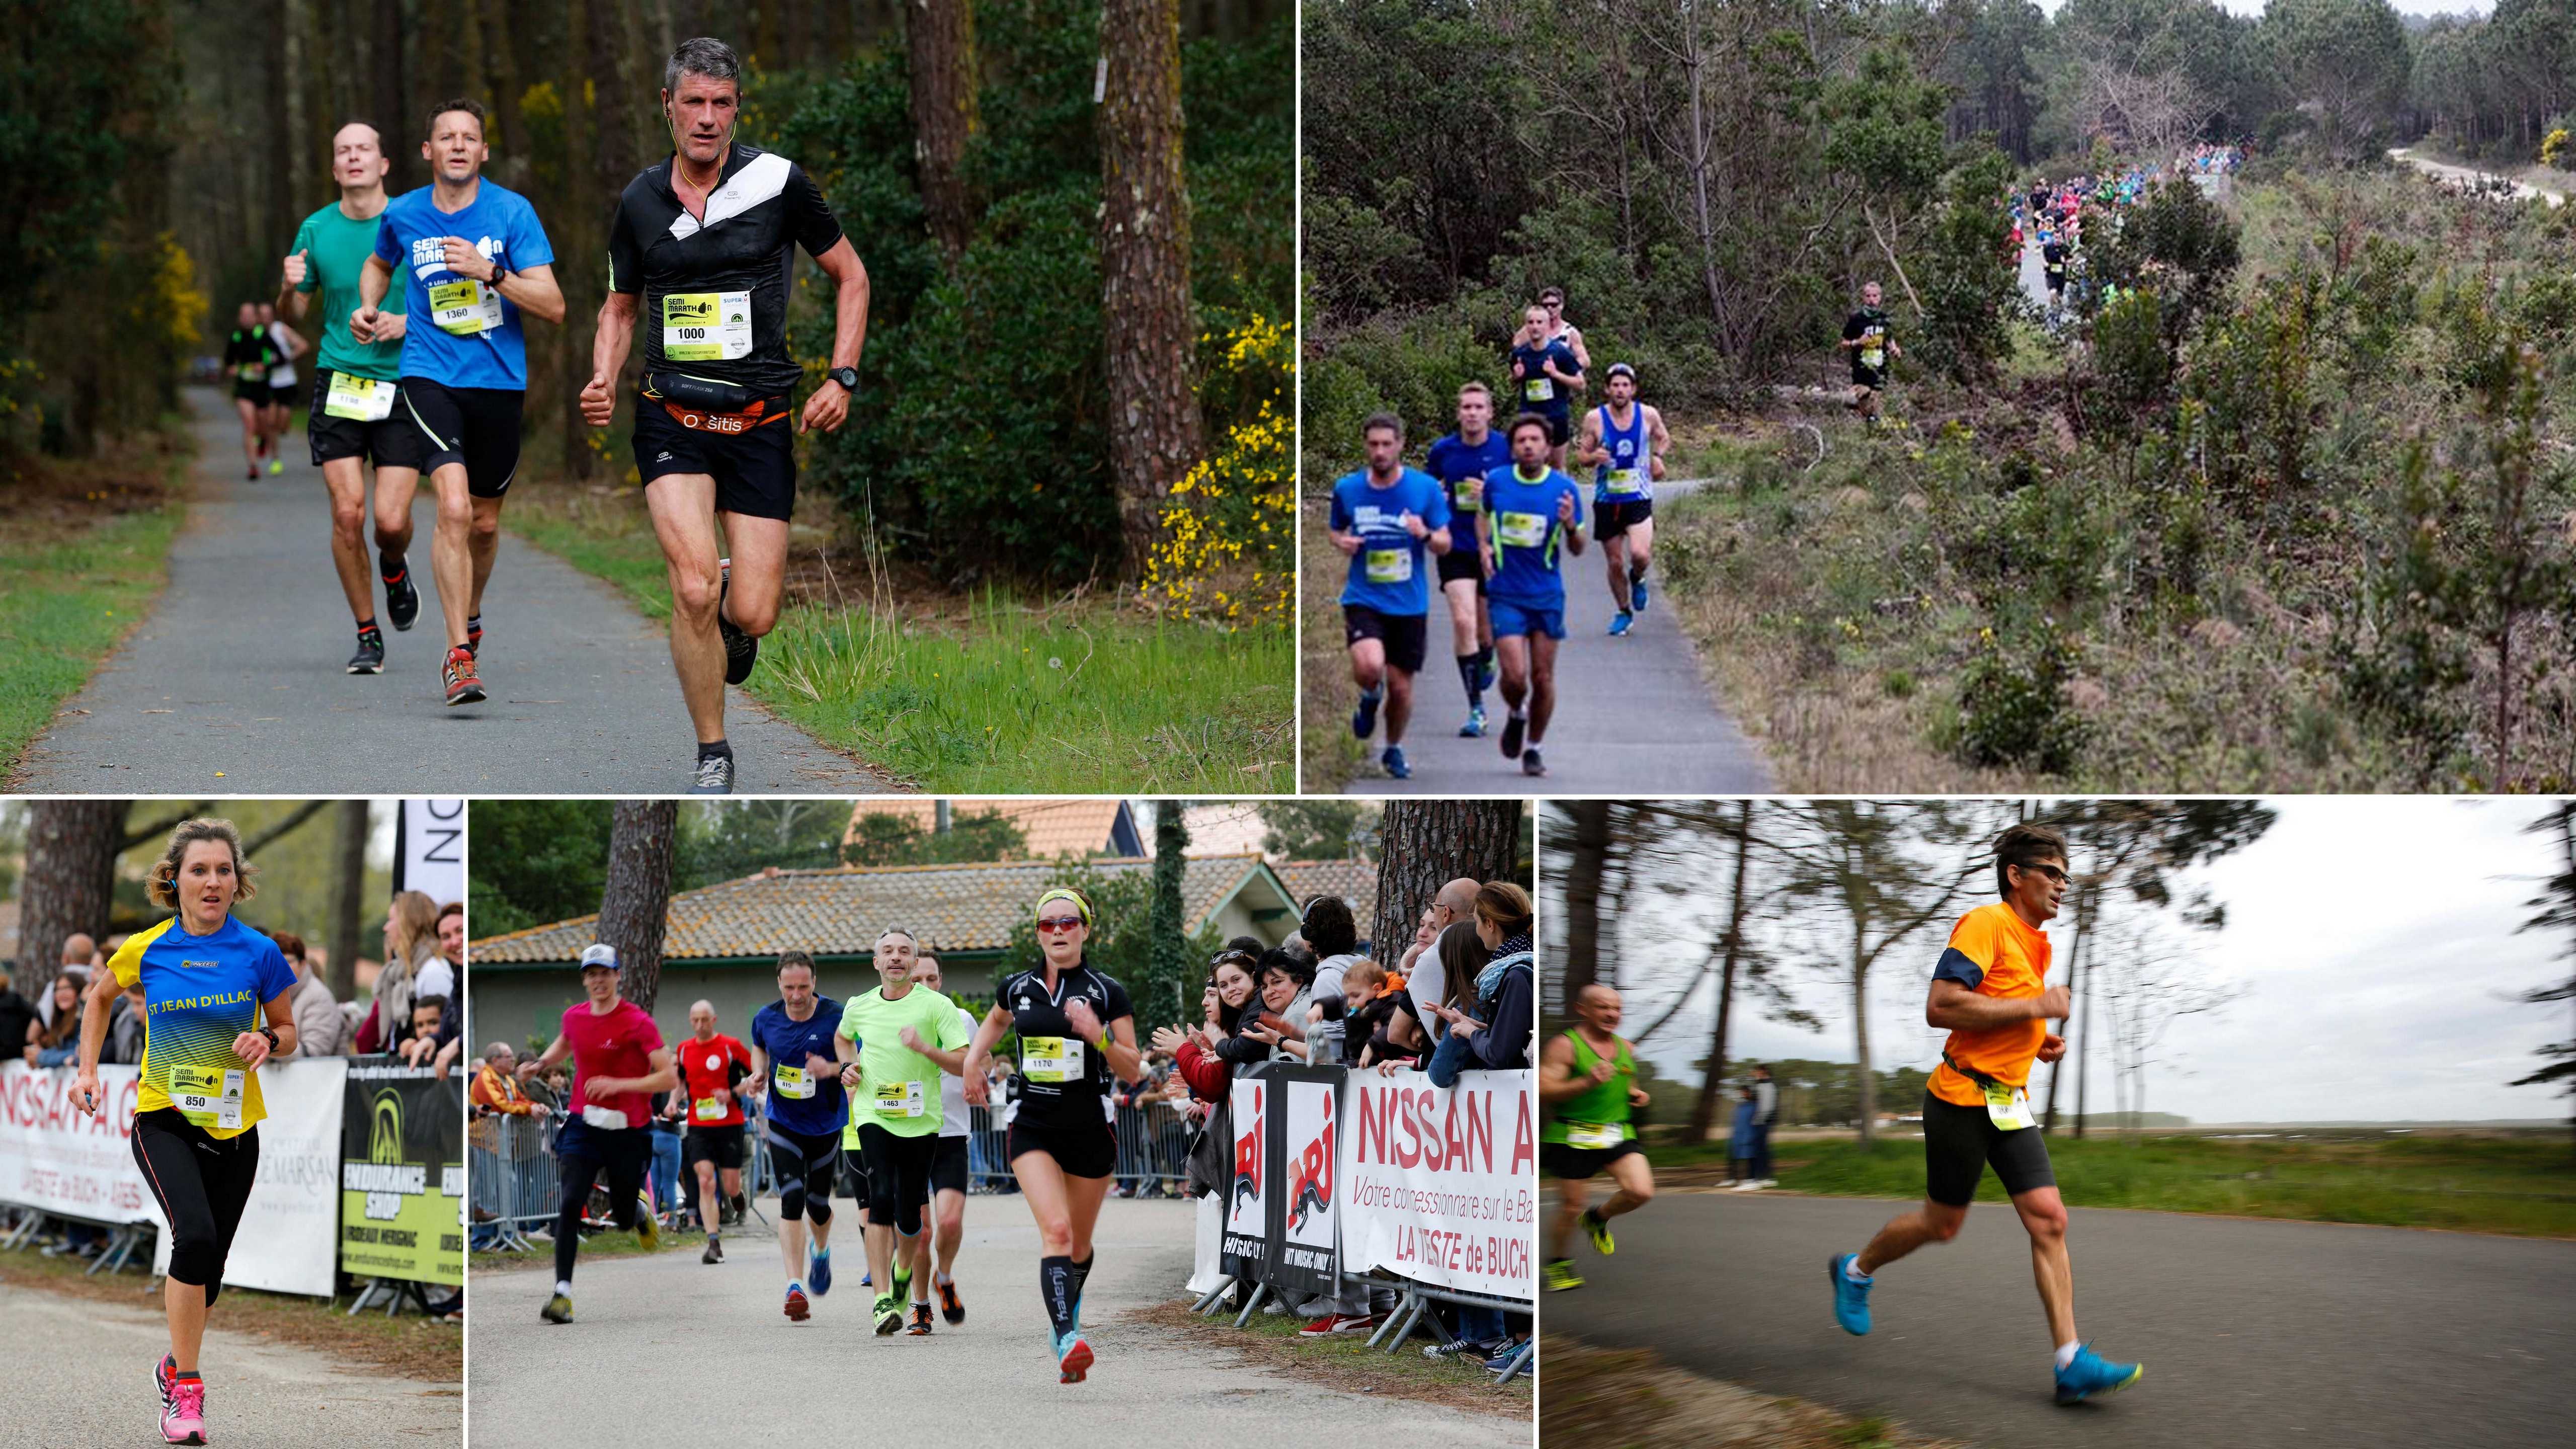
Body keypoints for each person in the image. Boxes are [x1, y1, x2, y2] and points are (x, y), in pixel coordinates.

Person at [582, 37, 871, 794]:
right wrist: (603, 377)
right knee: (693, 589)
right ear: (669, 109)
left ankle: (736, 619)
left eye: (721, 104)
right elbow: (618, 309)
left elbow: (852, 277)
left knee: (754, 610)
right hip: (671, 416)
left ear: (737, 108)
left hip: (759, 421)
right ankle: (713, 751)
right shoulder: (640, 201)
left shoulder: (779, 183)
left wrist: (842, 375)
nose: (707, 119)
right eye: (694, 104)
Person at [1829, 822, 2144, 1406]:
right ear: (2014, 876)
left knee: (2049, 1218)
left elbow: (1995, 1011)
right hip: (1959, 1099)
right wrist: (2036, 1007)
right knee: (1941, 1225)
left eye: (2065, 876)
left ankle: (2069, 1362)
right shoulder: (1986, 924)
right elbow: (1941, 1005)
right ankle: (1854, 1270)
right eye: (2051, 873)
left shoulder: (2035, 942)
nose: (2061, 885)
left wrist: (2033, 1040)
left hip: (2007, 1102)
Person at [69, 818, 298, 1446]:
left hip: (234, 1127)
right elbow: (97, 999)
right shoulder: (148, 948)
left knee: (208, 1272)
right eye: (200, 870)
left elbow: (289, 1029)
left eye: (224, 870)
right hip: (162, 1117)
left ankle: (172, 1362)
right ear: (174, 880)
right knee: (191, 1234)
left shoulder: (259, 952)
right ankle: (187, 1393)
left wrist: (269, 1039)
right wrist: (87, 1070)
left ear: (237, 881)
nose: (213, 881)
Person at [354, 97, 565, 709]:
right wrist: (366, 305)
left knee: (485, 520)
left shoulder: (511, 212)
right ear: (427, 151)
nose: (456, 146)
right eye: (445, 137)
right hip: (429, 375)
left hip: (498, 383)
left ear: (483, 151)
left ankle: (469, 615)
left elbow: (553, 306)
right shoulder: (404, 213)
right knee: (452, 507)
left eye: (468, 137)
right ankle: (457, 656)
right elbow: (377, 261)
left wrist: (490, 271)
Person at [963, 887, 1144, 1383]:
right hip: (1033, 1124)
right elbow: (995, 1021)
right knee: (1057, 1233)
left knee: (1079, 1245)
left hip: (1089, 1127)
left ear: (1085, 929)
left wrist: (1099, 1036)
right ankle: (1067, 1337)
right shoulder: (1016, 987)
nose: (1058, 931)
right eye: (1048, 924)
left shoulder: (1108, 992)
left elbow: (1132, 1071)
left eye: (1068, 922)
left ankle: (1069, 1313)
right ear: (1038, 933)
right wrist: (971, 1060)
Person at [286, 120, 424, 672]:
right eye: (342, 150)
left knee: (389, 522)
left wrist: (404, 322)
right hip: (339, 380)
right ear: (335, 167)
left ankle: (395, 565)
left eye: (363, 148)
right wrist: (286, 285)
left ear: (383, 163)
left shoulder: (413, 222)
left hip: (404, 382)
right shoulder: (315, 229)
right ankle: (368, 634)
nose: (353, 158)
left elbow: (448, 303)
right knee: (348, 513)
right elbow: (292, 312)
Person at [513, 942, 674, 1325]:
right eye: (591, 974)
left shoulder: (638, 1022)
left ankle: (637, 1212)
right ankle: (562, 1294)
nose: (598, 981)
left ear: (618, 976)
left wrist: (619, 1085)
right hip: (584, 1123)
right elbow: (566, 1045)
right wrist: (539, 1065)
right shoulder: (575, 1017)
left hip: (628, 1130)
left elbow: (668, 1075)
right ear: (585, 980)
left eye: (605, 973)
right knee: (570, 1202)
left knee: (620, 1216)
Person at [834, 927, 971, 1337]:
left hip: (922, 1121)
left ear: (914, 963)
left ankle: (902, 1272)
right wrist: (847, 1066)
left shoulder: (937, 1007)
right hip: (874, 1113)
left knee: (911, 1217)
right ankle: (881, 1301)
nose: (896, 958)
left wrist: (925, 1049)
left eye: (904, 952)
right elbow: (842, 1040)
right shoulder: (859, 1006)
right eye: (888, 952)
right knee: (881, 1200)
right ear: (876, 962)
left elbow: (963, 1062)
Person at [1327, 412, 1452, 780]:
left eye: (1387, 444)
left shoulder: (1424, 489)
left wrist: (1425, 534)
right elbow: (1335, 529)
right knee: (1368, 666)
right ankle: (1368, 697)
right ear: (1366, 446)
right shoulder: (1348, 488)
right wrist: (1343, 542)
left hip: (1409, 603)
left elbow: (1445, 543)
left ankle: (1393, 748)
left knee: (1400, 689)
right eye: (1373, 445)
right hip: (1364, 597)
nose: (1380, 451)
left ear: (1400, 445)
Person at [1479, 414, 1586, 777]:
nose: (1528, 445)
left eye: (1535, 440)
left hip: (1546, 595)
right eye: (1521, 440)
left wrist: (1571, 524)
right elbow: (1483, 516)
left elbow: (1578, 548)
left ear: (1546, 446)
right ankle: (1516, 712)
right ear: (1513, 448)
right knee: (1515, 676)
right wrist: (1483, 547)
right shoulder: (1496, 483)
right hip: (1505, 593)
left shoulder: (1564, 490)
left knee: (1542, 678)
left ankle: (1535, 747)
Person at [746, 950, 849, 1322]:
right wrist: (758, 1073)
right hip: (783, 1121)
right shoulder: (766, 1017)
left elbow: (858, 1063)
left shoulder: (837, 1016)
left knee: (818, 1204)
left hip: (825, 1123)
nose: (796, 994)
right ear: (779, 984)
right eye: (789, 987)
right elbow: (759, 1046)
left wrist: (832, 1068)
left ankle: (821, 1251)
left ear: (814, 983)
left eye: (803, 986)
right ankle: (794, 1284)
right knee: (791, 1199)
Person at [1539, 983, 1654, 1293]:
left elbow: (1624, 1080)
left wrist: (1635, 1094)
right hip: (1572, 1134)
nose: (1611, 1014)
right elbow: (1543, 1089)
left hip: (1617, 1132)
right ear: (1583, 1010)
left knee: (1641, 1191)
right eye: (1603, 1007)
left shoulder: (1625, 1047)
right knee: (1571, 1206)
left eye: (1616, 1009)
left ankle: (1598, 1219)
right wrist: (1586, 1083)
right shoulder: (1565, 1046)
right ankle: (1559, 1264)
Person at [1425, 382, 1508, 737]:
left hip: (1494, 547)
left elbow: (1525, 492)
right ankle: (1477, 709)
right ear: (1459, 413)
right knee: (1463, 621)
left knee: (1485, 628)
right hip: (1455, 546)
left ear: (1490, 413)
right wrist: (1438, 498)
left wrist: (1492, 492)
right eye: (1466, 407)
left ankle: (1487, 653)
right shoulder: (1443, 451)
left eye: (1479, 407)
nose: (1472, 413)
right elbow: (1426, 492)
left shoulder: (1506, 448)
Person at [1574, 363, 1667, 637]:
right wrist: (1593, 458)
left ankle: (1637, 579)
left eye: (1625, 385)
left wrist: (1658, 457)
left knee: (1640, 554)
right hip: (1607, 500)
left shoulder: (1648, 414)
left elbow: (1663, 437)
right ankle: (1624, 611)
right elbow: (1581, 457)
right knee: (1615, 562)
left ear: (1633, 389)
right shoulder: (1595, 419)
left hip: (1638, 497)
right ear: (1607, 389)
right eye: (1615, 385)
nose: (1620, 390)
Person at [913, 954, 978, 1323]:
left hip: (951, 1133)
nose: (925, 986)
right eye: (917, 979)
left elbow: (979, 1061)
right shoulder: (895, 1018)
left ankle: (945, 1277)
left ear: (941, 980)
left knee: (949, 1224)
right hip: (909, 1135)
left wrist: (975, 1080)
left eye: (932, 978)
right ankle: (920, 1308)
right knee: (920, 1233)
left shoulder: (962, 1019)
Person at [675, 999, 751, 1263]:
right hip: (699, 1125)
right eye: (695, 1020)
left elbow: (756, 1076)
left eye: (704, 1020)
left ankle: (737, 1194)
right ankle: (713, 1242)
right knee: (706, 1180)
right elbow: (680, 1081)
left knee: (729, 1186)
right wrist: (674, 1102)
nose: (699, 1025)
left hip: (730, 1124)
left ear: (714, 1020)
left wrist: (732, 1093)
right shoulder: (684, 1050)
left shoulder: (730, 1047)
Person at [1506, 303, 1583, 470]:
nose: (1535, 327)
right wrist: (1516, 377)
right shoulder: (1519, 355)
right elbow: (1512, 383)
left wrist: (1556, 374)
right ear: (1526, 326)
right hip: (1529, 417)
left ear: (1548, 325)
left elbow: (1580, 384)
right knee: (1528, 467)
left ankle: (1564, 496)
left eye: (1540, 322)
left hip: (1556, 417)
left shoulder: (1560, 353)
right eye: (1531, 322)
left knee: (1557, 469)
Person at [221, 303, 280, 480]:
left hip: (262, 389)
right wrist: (231, 368)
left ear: (256, 318)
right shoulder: (236, 337)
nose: (246, 319)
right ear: (240, 318)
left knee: (263, 426)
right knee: (249, 425)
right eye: (243, 315)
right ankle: (253, 466)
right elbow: (228, 361)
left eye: (250, 315)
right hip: (243, 389)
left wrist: (265, 365)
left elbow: (279, 356)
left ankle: (262, 440)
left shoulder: (263, 336)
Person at [1841, 281, 1899, 427]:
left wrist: (1895, 349)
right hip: (1861, 368)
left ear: (1880, 298)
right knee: (1860, 397)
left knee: (1875, 405)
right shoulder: (1856, 319)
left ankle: (1872, 431)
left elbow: (1889, 338)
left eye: (1875, 296)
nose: (1871, 299)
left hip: (1880, 368)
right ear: (1863, 298)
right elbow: (1844, 343)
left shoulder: (1884, 319)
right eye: (1868, 296)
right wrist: (1857, 342)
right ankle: (1856, 406)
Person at [260, 301, 305, 474]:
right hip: (269, 383)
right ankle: (275, 459)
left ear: (272, 315)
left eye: (267, 314)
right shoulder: (258, 334)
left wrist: (287, 357)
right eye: (261, 315)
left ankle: (281, 431)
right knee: (271, 423)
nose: (264, 319)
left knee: (283, 423)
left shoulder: (281, 329)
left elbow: (303, 345)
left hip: (287, 381)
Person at [1736, 1063, 1779, 1190]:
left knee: (1755, 1151)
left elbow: (1766, 1107)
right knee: (1762, 1151)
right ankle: (1766, 1179)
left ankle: (1752, 1181)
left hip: (1761, 1123)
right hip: (1763, 1122)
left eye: (1756, 1072)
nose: (1754, 1075)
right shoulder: (1763, 1085)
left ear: (1763, 1072)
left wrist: (1756, 1121)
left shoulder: (1767, 1086)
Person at [27, 974, 85, 1066]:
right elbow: (61, 1052)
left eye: (67, 988)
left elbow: (78, 1053)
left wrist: (41, 1057)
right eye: (58, 989)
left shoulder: (81, 1018)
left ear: (79, 991)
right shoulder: (59, 1020)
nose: (62, 993)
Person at [1536, 286, 1593, 373]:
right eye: (1545, 306)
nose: (1549, 308)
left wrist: (1564, 368)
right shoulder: (1535, 329)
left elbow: (1585, 361)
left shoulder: (1570, 332)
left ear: (1561, 306)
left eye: (1554, 305)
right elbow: (1516, 344)